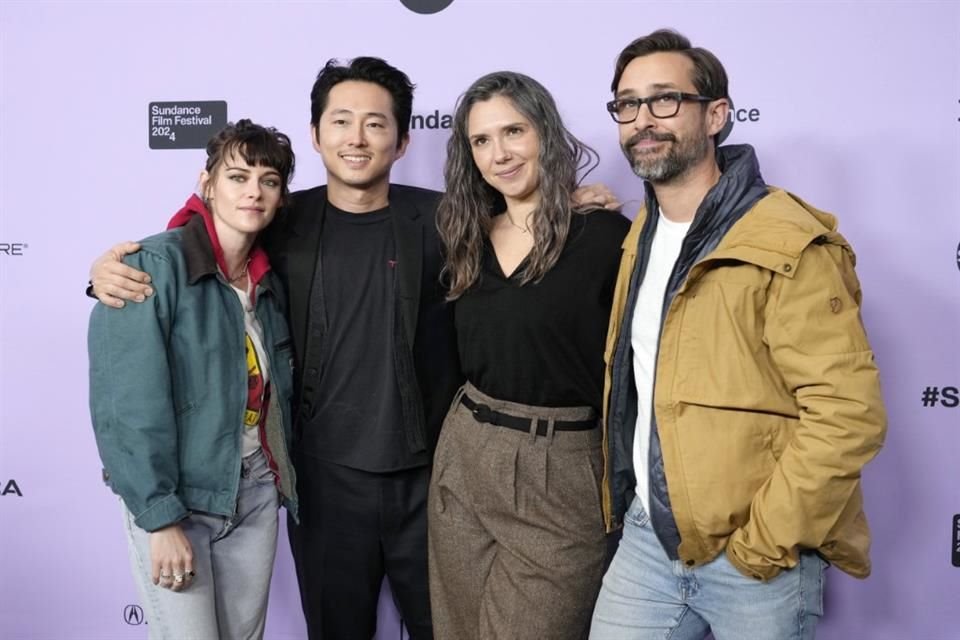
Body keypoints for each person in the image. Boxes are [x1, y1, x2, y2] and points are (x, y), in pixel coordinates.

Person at [87, 57, 619, 640]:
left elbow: (524, 213)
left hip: (437, 481)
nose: (357, 139)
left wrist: (573, 197)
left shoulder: (449, 219)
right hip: (323, 486)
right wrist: (112, 270)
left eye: (375, 123)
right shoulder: (281, 220)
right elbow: (208, 238)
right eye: (341, 122)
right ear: (316, 136)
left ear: (402, 139)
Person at [588, 29, 887, 640]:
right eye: (627, 104)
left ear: (717, 114)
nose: (643, 119)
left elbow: (848, 412)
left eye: (666, 100)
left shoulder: (788, 240)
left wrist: (763, 542)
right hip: (649, 539)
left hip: (753, 556)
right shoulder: (640, 230)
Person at [428, 71, 631, 639]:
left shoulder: (608, 238)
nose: (500, 153)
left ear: (544, 131)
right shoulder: (463, 235)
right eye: (481, 141)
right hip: (465, 451)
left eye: (513, 131)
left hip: (559, 468)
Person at [88, 119, 299, 640]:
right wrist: (160, 520)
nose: (253, 190)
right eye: (237, 176)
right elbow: (127, 406)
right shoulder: (151, 268)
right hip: (181, 499)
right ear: (206, 183)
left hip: (253, 494)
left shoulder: (269, 280)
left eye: (268, 180)